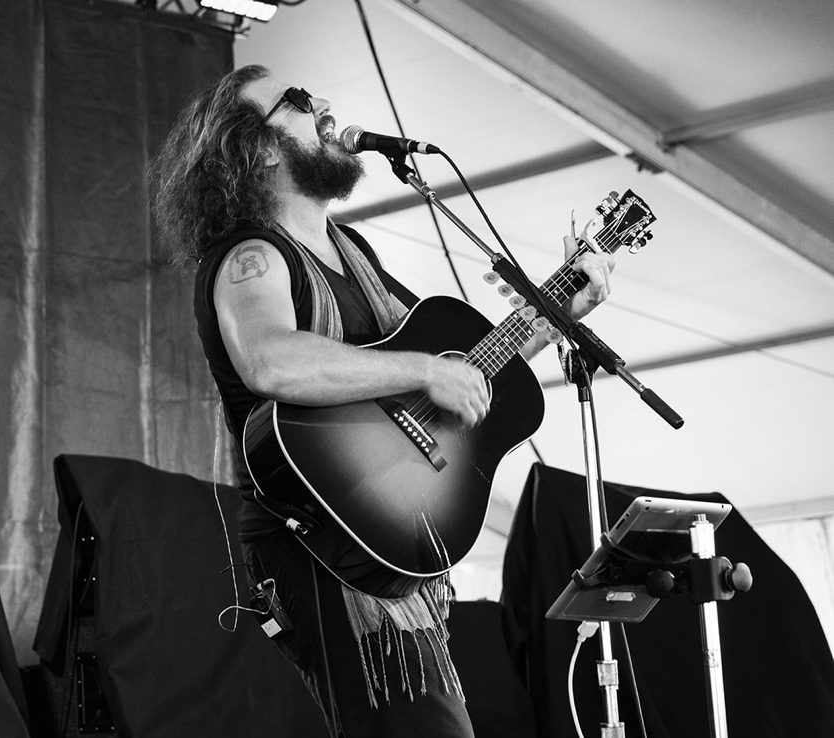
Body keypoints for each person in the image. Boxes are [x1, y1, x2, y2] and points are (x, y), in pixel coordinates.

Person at [149, 64, 615, 737]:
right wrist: (425, 370)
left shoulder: (353, 253)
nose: (325, 104)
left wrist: (559, 311)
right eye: (300, 101)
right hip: (314, 546)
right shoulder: (252, 257)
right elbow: (271, 360)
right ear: (257, 148)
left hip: (384, 556)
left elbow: (471, 369)